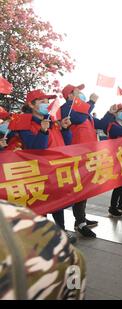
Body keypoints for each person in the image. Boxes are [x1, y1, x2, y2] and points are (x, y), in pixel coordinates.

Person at [9, 89, 76, 244]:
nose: (46, 104)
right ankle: (42, 238)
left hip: (55, 170)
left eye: (47, 101)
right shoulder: (25, 124)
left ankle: (61, 232)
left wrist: (65, 129)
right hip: (38, 172)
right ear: (31, 105)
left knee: (57, 202)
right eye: (42, 101)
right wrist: (43, 131)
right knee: (41, 204)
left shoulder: (52, 122)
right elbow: (35, 148)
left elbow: (65, 143)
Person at [60, 84, 117, 238]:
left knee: (85, 188)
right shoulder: (67, 108)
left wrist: (110, 114)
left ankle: (81, 218)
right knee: (78, 189)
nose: (81, 93)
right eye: (77, 92)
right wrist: (91, 102)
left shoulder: (86, 113)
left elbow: (100, 124)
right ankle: (80, 223)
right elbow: (77, 119)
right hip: (75, 157)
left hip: (87, 157)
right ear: (70, 96)